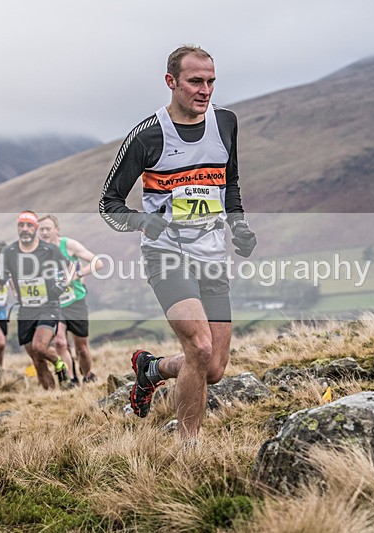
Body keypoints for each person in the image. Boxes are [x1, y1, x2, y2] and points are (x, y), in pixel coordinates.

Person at [99, 45, 257, 442]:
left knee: (214, 368)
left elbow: (229, 182)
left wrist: (238, 225)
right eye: (195, 82)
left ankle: (152, 370)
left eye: (211, 81)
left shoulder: (225, 123)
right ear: (171, 82)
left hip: (212, 255)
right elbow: (108, 204)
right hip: (166, 254)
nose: (205, 90)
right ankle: (188, 449)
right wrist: (143, 222)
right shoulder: (149, 135)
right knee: (200, 349)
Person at [0, 211, 69, 390]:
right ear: (18, 228)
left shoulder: (49, 250)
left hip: (48, 306)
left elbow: (69, 268)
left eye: (29, 225)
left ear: (35, 228)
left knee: (39, 347)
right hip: (26, 310)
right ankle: (51, 396)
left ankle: (59, 362)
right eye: (21, 225)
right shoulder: (9, 252)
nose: (25, 229)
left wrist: (62, 286)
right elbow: (2, 279)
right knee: (36, 358)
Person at [37, 214, 102, 384]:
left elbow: (97, 262)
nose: (44, 232)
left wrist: (77, 275)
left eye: (47, 229)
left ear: (56, 230)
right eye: (41, 229)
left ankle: (88, 375)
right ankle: (72, 380)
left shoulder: (69, 245)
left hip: (75, 301)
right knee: (60, 342)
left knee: (82, 348)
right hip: (53, 304)